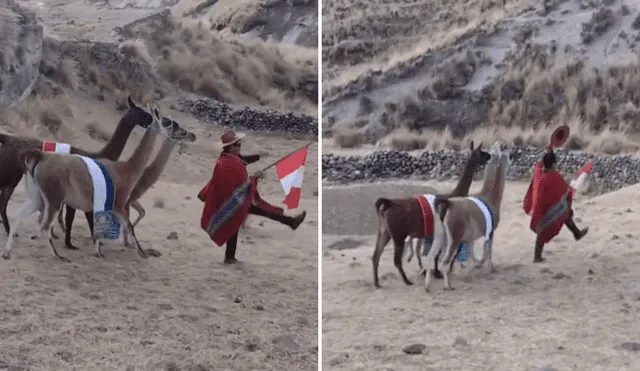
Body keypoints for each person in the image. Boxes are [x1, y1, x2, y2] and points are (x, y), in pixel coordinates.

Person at [199, 130, 307, 264]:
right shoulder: (228, 164)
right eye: (237, 145)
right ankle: (290, 222)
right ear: (230, 147)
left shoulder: (228, 158)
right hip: (232, 201)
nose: (240, 147)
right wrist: (255, 177)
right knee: (244, 217)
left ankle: (290, 222)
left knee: (236, 221)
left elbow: (242, 161)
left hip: (234, 200)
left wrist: (259, 156)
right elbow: (242, 183)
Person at [523, 150, 589, 263]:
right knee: (544, 229)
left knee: (564, 214)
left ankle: (577, 233)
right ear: (554, 164)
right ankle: (537, 257)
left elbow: (539, 198)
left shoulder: (541, 176)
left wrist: (537, 215)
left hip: (546, 208)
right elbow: (565, 191)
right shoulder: (555, 176)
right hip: (549, 209)